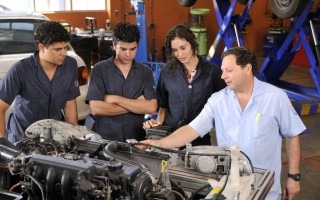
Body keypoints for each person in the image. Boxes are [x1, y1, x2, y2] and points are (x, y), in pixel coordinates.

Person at [140, 47, 305, 200]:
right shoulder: (218, 100)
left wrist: (293, 177)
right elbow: (191, 130)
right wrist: (158, 144)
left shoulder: (275, 97)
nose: (222, 76)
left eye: (229, 70)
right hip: (229, 187)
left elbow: (292, 137)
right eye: (222, 70)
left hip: (264, 189)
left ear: (247, 69)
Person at [143, 24, 226, 146]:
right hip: (171, 137)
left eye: (183, 48)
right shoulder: (167, 72)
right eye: (175, 50)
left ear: (192, 43)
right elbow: (163, 105)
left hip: (199, 140)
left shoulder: (212, 72)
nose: (180, 54)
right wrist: (158, 123)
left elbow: (223, 106)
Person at [0, 21, 80, 143]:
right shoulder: (20, 70)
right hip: (22, 136)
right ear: (41, 47)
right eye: (58, 49)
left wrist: (74, 138)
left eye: (65, 48)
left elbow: (69, 104)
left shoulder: (70, 65)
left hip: (55, 136)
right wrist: (2, 143)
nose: (63, 53)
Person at [86, 22, 157, 142]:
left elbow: (151, 107)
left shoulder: (145, 72)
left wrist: (115, 99)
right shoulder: (100, 70)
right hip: (103, 139)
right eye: (123, 49)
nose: (128, 54)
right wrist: (137, 105)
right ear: (114, 45)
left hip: (136, 140)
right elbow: (96, 108)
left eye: (133, 49)